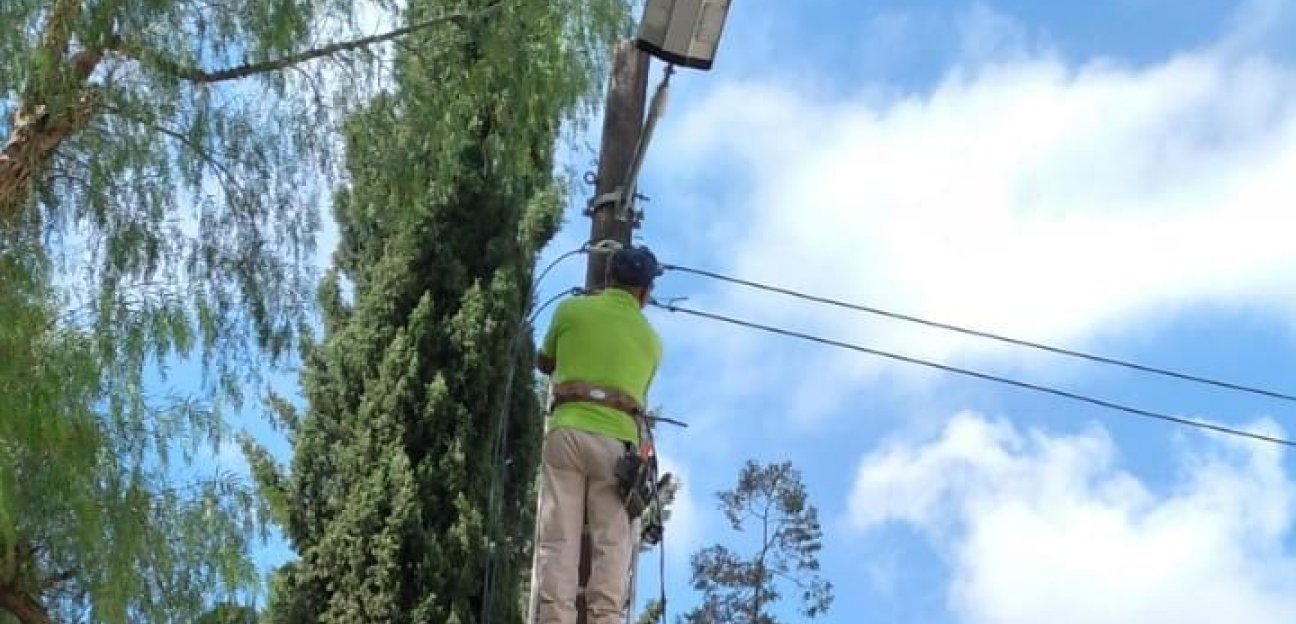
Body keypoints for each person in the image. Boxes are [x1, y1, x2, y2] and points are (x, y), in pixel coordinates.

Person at [532, 245, 664, 624]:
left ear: (608, 278)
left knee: (559, 536)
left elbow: (545, 361)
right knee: (612, 542)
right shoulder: (652, 342)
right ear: (643, 291)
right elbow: (640, 393)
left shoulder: (571, 310)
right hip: (616, 444)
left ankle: (555, 617)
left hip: (568, 429)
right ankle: (605, 617)